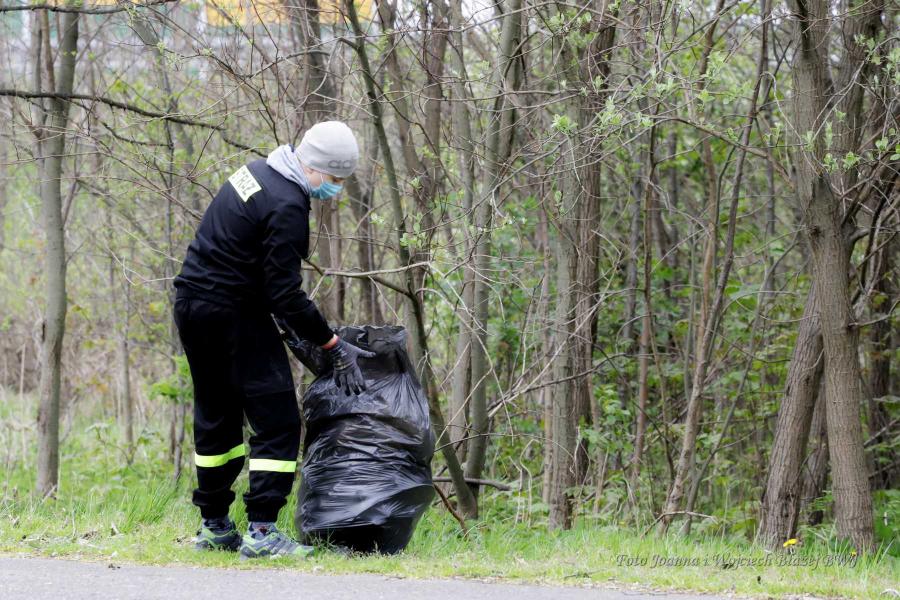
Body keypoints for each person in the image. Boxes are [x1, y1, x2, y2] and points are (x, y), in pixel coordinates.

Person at [172, 121, 375, 559]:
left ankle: (215, 526)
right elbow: (283, 293)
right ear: (316, 167)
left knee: (216, 415)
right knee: (278, 419)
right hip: (232, 313)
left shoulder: (254, 172)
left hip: (192, 304)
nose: (335, 189)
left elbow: (252, 265)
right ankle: (262, 532)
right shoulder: (287, 203)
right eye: (335, 179)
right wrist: (330, 343)